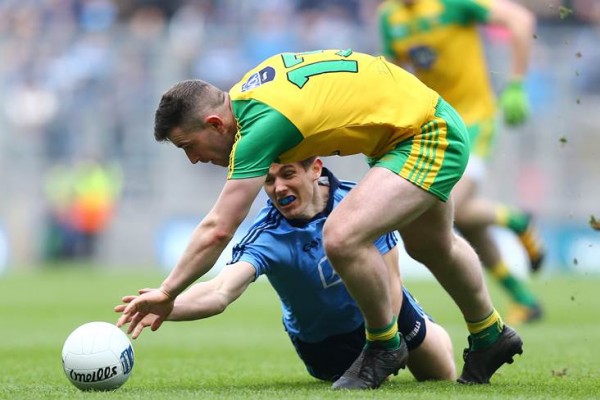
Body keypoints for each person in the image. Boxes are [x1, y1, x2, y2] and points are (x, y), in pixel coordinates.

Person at [116, 49, 523, 389]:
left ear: (215, 124)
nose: (193, 159)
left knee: (342, 236)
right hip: (413, 123)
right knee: (432, 245)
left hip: (423, 133)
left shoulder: (257, 129)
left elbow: (219, 228)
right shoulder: (252, 93)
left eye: (189, 145)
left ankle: (383, 345)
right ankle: (490, 335)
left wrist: (168, 291)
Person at [116, 158, 457, 382]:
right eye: (268, 180)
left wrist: (385, 339)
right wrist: (169, 303)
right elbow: (220, 290)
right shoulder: (268, 235)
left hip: (386, 312)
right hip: (325, 345)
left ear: (315, 169)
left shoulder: (359, 202)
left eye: (288, 174)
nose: (278, 188)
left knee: (441, 375)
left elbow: (392, 277)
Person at [377, 0, 545, 325]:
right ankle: (523, 298)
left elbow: (521, 19)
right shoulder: (388, 16)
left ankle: (516, 221)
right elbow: (391, 75)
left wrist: (517, 83)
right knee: (463, 219)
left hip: (473, 120)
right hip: (435, 125)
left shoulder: (452, 3)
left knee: (450, 202)